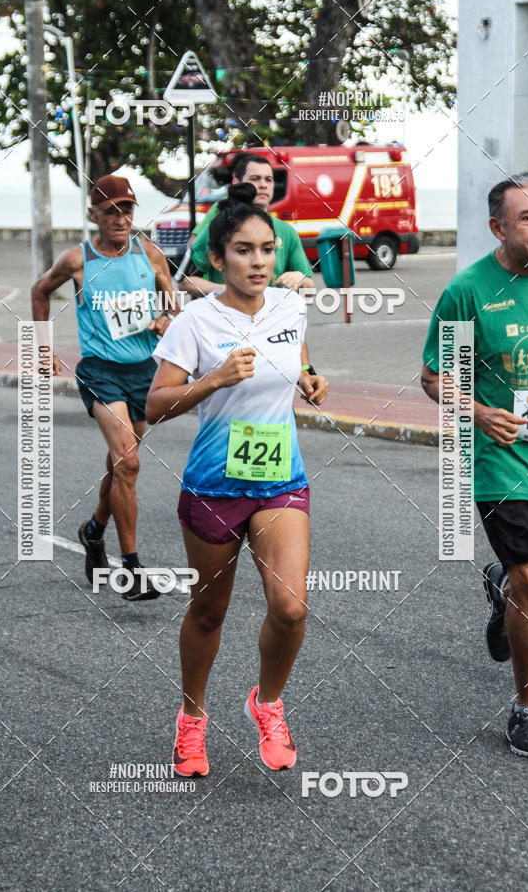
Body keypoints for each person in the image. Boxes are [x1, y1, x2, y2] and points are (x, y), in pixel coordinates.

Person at [146, 183, 328, 776]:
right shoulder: (194, 322)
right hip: (214, 484)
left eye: (267, 250)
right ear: (218, 258)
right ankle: (192, 718)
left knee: (291, 607)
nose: (258, 262)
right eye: (244, 251)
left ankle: (267, 703)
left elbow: (298, 360)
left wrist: (310, 380)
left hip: (280, 479)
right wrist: (215, 379)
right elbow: (155, 406)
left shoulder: (289, 308)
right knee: (208, 613)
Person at [421, 172, 528, 757]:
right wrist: (478, 412)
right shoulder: (470, 291)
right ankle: (526, 709)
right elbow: (434, 377)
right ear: (498, 227)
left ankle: (501, 591)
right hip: (503, 458)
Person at [31, 174, 178, 601]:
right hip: (99, 370)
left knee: (120, 463)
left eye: (127, 209)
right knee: (128, 463)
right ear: (93, 214)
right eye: (111, 210)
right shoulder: (78, 259)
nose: (120, 218)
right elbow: (40, 291)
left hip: (142, 372)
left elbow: (172, 306)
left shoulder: (149, 254)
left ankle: (93, 529)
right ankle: (131, 569)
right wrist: (43, 347)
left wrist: (167, 320)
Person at [179, 154, 316, 298]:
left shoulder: (287, 231)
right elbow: (184, 282)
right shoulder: (218, 225)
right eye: (255, 179)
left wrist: (299, 278)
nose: (263, 185)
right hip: (225, 317)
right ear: (236, 182)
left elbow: (310, 289)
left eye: (268, 180)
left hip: (271, 319)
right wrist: (233, 292)